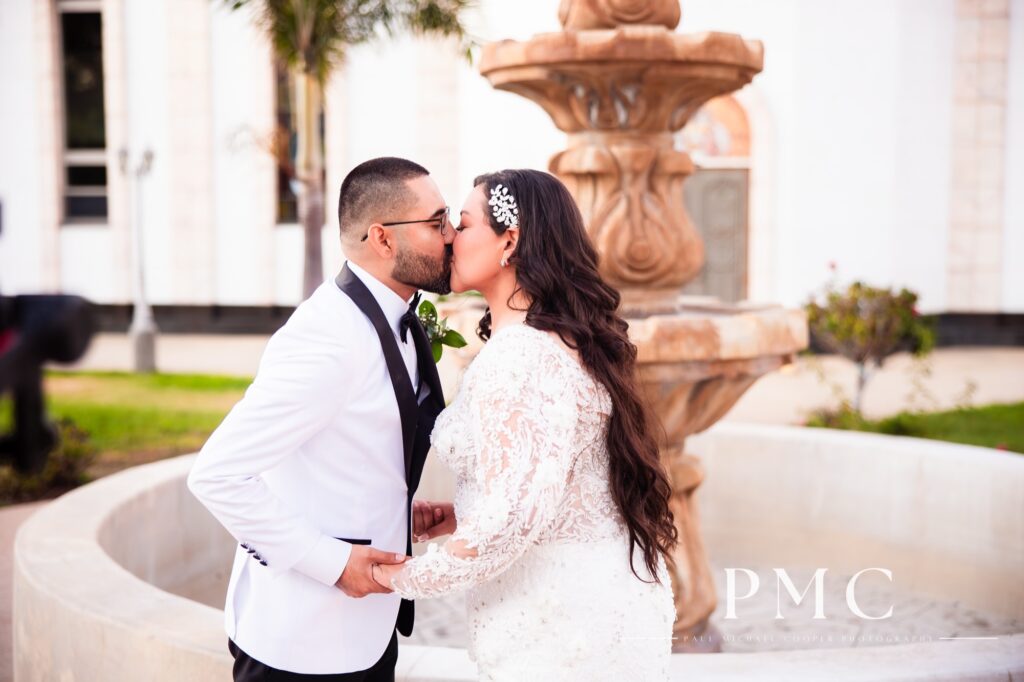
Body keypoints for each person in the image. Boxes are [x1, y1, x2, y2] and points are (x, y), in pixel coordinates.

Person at [375, 169, 679, 681]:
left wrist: (396, 577)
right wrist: (463, 514)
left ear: (509, 242)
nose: (448, 237)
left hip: (558, 630)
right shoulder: (561, 341)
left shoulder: (518, 357)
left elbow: (515, 516)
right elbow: (557, 486)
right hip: (599, 604)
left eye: (464, 225)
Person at [187, 156, 456, 681]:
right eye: (437, 221)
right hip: (300, 643)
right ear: (383, 239)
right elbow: (217, 474)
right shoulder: (327, 337)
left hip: (366, 631)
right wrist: (331, 564)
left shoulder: (396, 312)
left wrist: (397, 509)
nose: (451, 235)